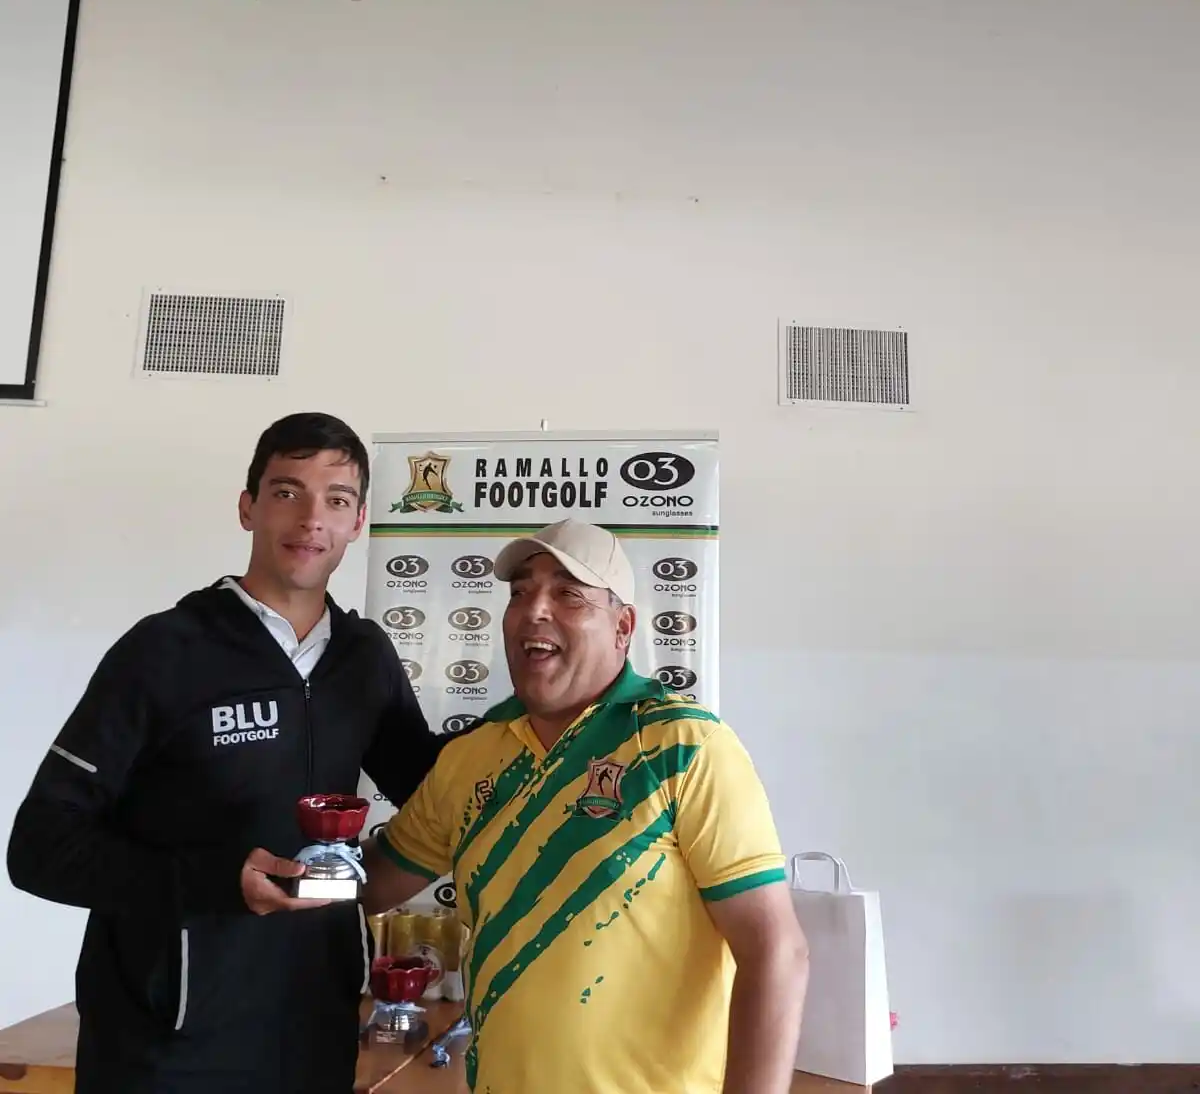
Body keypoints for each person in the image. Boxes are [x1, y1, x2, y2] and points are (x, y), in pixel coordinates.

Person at [7, 412, 443, 1094]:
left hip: (314, 1030)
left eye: (336, 499)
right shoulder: (164, 650)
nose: (312, 519)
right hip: (168, 1046)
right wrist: (212, 880)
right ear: (248, 508)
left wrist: (543, 711)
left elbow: (437, 786)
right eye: (287, 492)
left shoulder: (365, 658)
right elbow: (39, 847)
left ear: (359, 521)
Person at [358, 518, 809, 1094]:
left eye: (569, 594)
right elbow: (374, 883)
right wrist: (283, 860)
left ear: (623, 627)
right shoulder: (470, 757)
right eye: (520, 593)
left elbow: (776, 952)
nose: (534, 610)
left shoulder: (683, 746)